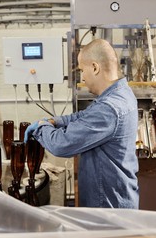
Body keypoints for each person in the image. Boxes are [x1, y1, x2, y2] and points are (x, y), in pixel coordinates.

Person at [24, 39, 139, 209]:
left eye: (82, 70)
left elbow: (61, 144)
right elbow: (85, 116)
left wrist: (41, 128)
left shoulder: (109, 109)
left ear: (95, 67)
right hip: (116, 198)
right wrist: (55, 121)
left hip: (108, 208)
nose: (82, 77)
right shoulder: (121, 93)